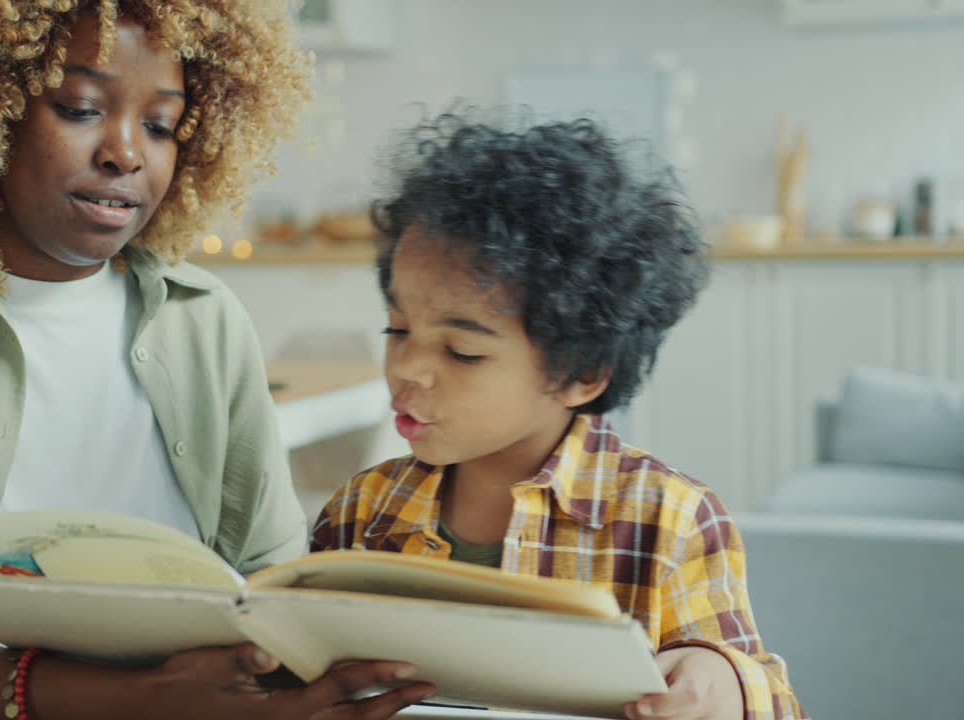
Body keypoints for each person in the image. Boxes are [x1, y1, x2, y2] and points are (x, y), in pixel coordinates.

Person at [0, 2, 434, 719]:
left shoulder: (206, 319)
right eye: (81, 109)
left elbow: (271, 582)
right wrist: (130, 700)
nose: (127, 153)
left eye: (161, 125)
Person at [311, 112, 807, 720]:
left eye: (462, 351)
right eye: (397, 329)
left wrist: (723, 684)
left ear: (581, 373)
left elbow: (767, 697)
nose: (408, 366)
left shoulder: (670, 522)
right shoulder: (361, 511)